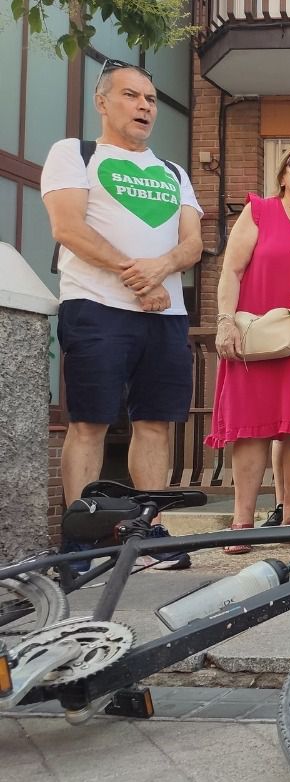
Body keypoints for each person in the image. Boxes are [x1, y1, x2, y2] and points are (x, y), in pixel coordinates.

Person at [41, 59, 203, 570]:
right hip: (96, 306)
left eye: (151, 99)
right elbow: (68, 227)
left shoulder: (173, 172)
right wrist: (141, 276)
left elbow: (194, 242)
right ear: (102, 102)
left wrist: (162, 270)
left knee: (156, 423)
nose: (144, 107)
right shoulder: (74, 154)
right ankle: (81, 539)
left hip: (167, 316)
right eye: (132, 96)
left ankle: (146, 531)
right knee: (88, 422)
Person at [208, 144, 290, 552]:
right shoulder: (260, 210)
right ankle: (243, 519)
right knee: (252, 427)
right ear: (283, 174)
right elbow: (231, 271)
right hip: (255, 334)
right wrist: (225, 322)